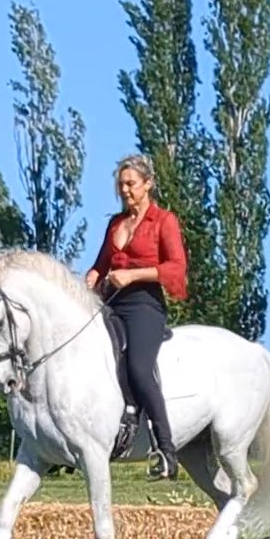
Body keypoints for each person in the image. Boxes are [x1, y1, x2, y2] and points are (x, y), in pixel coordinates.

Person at [84, 153, 188, 481]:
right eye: (121, 185)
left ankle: (166, 450)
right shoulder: (115, 224)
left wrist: (133, 275)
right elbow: (101, 265)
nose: (125, 190)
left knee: (139, 368)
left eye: (131, 184)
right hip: (111, 302)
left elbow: (176, 267)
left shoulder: (164, 221)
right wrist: (88, 281)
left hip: (145, 304)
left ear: (147, 184)